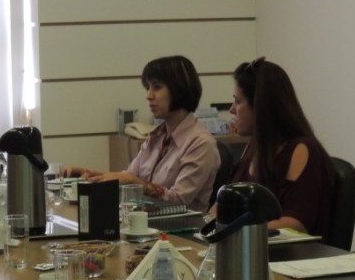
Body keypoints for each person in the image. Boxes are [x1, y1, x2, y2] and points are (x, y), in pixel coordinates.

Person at [62, 55, 219, 212]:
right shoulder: (157, 136)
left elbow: (179, 201)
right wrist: (91, 175)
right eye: (148, 88)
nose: (149, 95)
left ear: (179, 89)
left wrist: (132, 181)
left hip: (180, 226)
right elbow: (127, 177)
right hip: (144, 222)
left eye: (157, 87)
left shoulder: (201, 143)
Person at [227, 57, 334, 238]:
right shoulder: (254, 146)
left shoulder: (302, 149)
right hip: (251, 248)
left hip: (287, 253)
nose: (231, 109)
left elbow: (295, 223)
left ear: (260, 107)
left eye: (238, 102)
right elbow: (224, 204)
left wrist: (236, 233)